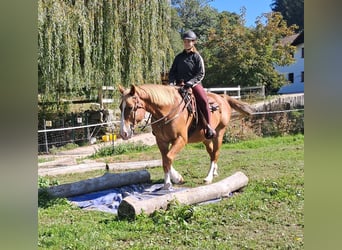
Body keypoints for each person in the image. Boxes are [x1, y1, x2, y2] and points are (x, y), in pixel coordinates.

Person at [168, 30, 216, 139]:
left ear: (193, 42)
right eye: (185, 41)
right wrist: (171, 82)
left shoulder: (197, 57)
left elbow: (201, 73)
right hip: (179, 85)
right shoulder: (178, 57)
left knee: (203, 101)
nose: (186, 43)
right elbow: (172, 72)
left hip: (193, 84)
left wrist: (191, 83)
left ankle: (209, 126)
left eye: (189, 41)